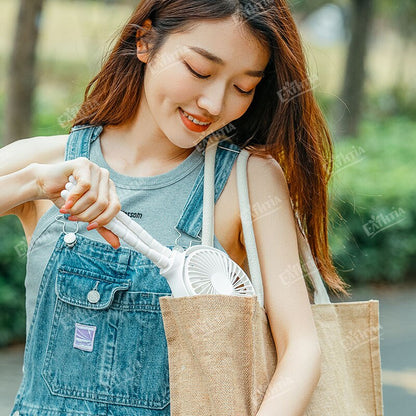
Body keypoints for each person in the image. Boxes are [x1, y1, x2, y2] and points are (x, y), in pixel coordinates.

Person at [0, 1, 351, 415]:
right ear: (145, 40)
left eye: (243, 87)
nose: (214, 104)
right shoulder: (47, 163)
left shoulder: (248, 180)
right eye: (200, 71)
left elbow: (301, 348)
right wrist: (33, 183)